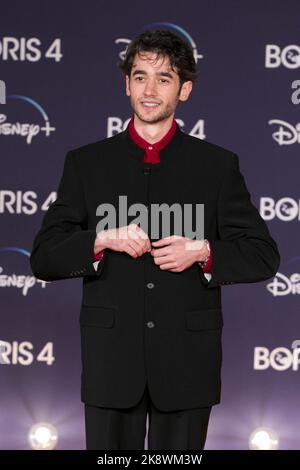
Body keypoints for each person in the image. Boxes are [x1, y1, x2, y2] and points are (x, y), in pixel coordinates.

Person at [30, 29, 280, 450]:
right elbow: (44, 257)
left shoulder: (217, 166)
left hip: (186, 365)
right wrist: (101, 239)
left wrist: (202, 251)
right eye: (140, 76)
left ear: (185, 90)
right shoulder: (86, 164)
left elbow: (263, 255)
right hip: (112, 364)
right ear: (126, 83)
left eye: (164, 78)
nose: (149, 90)